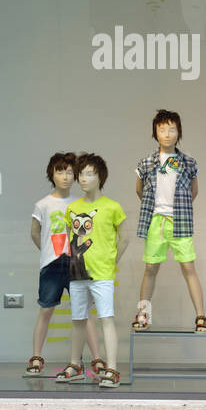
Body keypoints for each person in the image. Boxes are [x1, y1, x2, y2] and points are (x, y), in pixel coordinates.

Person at [25, 152, 102, 377]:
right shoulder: (42, 204)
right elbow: (34, 232)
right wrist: (47, 252)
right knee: (46, 308)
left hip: (76, 263)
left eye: (70, 172)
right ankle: (36, 357)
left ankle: (97, 358)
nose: (66, 176)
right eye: (60, 171)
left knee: (83, 312)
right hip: (51, 264)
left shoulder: (80, 203)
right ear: (52, 174)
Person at [133, 109, 206, 333]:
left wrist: (178, 208)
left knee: (188, 267)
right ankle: (143, 314)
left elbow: (194, 191)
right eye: (162, 129)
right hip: (156, 221)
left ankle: (201, 316)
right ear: (155, 132)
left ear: (179, 132)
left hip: (180, 221)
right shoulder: (146, 162)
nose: (167, 134)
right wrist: (157, 208)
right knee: (150, 268)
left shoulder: (188, 162)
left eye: (172, 129)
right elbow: (140, 191)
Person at [62, 153, 128, 388]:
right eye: (81, 174)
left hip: (102, 274)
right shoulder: (72, 208)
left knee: (106, 319)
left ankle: (112, 368)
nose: (83, 179)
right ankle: (75, 364)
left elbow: (125, 238)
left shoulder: (112, 207)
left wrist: (112, 262)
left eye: (90, 174)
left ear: (101, 177)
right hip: (78, 273)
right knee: (78, 319)